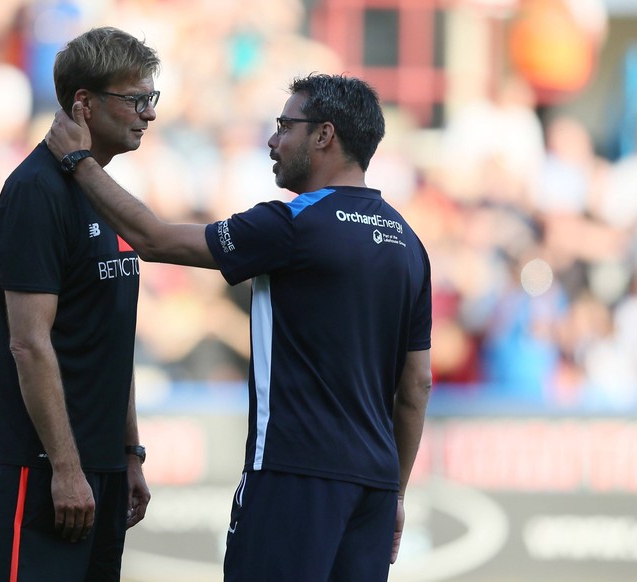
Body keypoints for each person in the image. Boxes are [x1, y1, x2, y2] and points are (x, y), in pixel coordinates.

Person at [46, 73, 433, 582]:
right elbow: (416, 385)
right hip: (376, 487)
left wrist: (78, 161)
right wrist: (396, 491)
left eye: (283, 126)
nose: (272, 142)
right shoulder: (410, 244)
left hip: (293, 475)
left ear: (324, 135)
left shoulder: (293, 224)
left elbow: (156, 239)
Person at [0, 27, 159, 581]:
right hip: (45, 471)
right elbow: (29, 343)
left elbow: (113, 337)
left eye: (151, 99)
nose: (148, 114)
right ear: (83, 102)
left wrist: (129, 452)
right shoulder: (36, 191)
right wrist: (66, 468)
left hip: (99, 467)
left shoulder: (102, 189)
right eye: (135, 99)